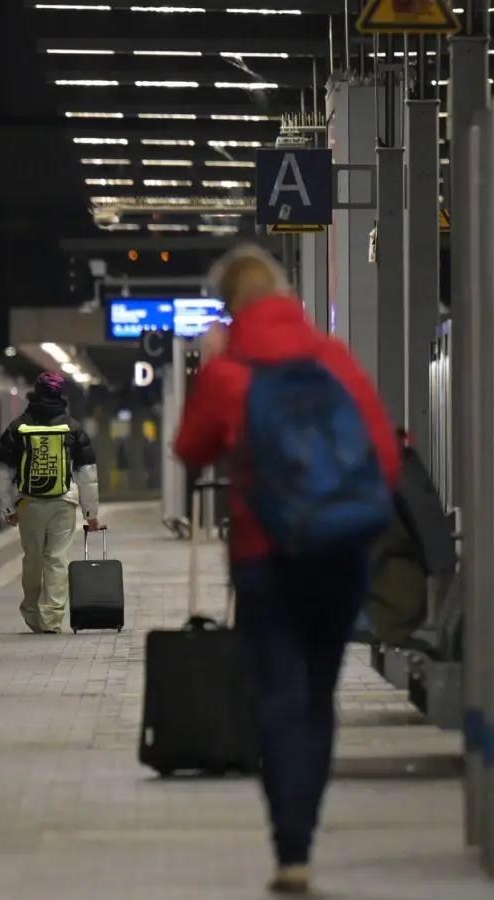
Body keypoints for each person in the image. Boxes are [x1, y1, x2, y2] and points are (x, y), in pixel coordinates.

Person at [173, 244, 400, 895]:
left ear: (229, 306)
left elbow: (190, 450)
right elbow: (382, 459)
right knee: (318, 696)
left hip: (264, 559)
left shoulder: (229, 372)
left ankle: (290, 847)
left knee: (279, 694)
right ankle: (305, 828)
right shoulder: (331, 357)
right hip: (337, 557)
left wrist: (213, 367)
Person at [0, 372, 100, 634]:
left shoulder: (17, 427)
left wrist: (7, 507)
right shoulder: (72, 427)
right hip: (63, 503)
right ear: (61, 395)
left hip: (29, 503)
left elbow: (2, 470)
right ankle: (51, 617)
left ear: (35, 393)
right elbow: (87, 475)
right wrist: (91, 513)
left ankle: (31, 613)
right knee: (57, 560)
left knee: (33, 559)